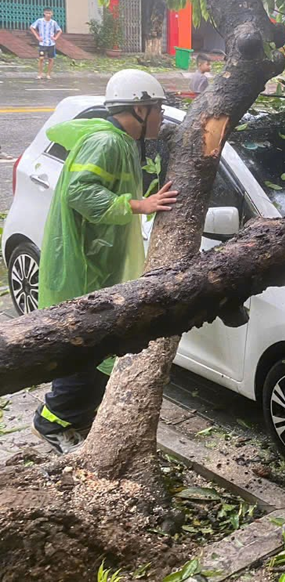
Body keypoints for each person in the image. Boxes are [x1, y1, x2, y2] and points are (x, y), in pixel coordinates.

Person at [31, 69, 179, 455]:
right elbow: (82, 192)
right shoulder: (105, 142)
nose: (162, 118)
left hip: (97, 264)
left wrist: (145, 195)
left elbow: (114, 188)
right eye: (158, 109)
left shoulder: (124, 142)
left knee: (92, 350)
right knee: (86, 352)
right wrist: (138, 205)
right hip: (83, 265)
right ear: (139, 107)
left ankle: (70, 417)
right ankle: (51, 422)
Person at [30, 7, 62, 80]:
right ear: (44, 13)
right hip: (42, 44)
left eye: (50, 13)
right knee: (41, 58)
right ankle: (40, 74)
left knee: (51, 59)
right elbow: (32, 27)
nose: (48, 15)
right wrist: (37, 36)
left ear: (52, 14)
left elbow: (59, 30)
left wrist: (55, 38)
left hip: (51, 44)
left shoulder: (53, 22)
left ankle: (48, 74)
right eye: (47, 13)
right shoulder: (39, 21)